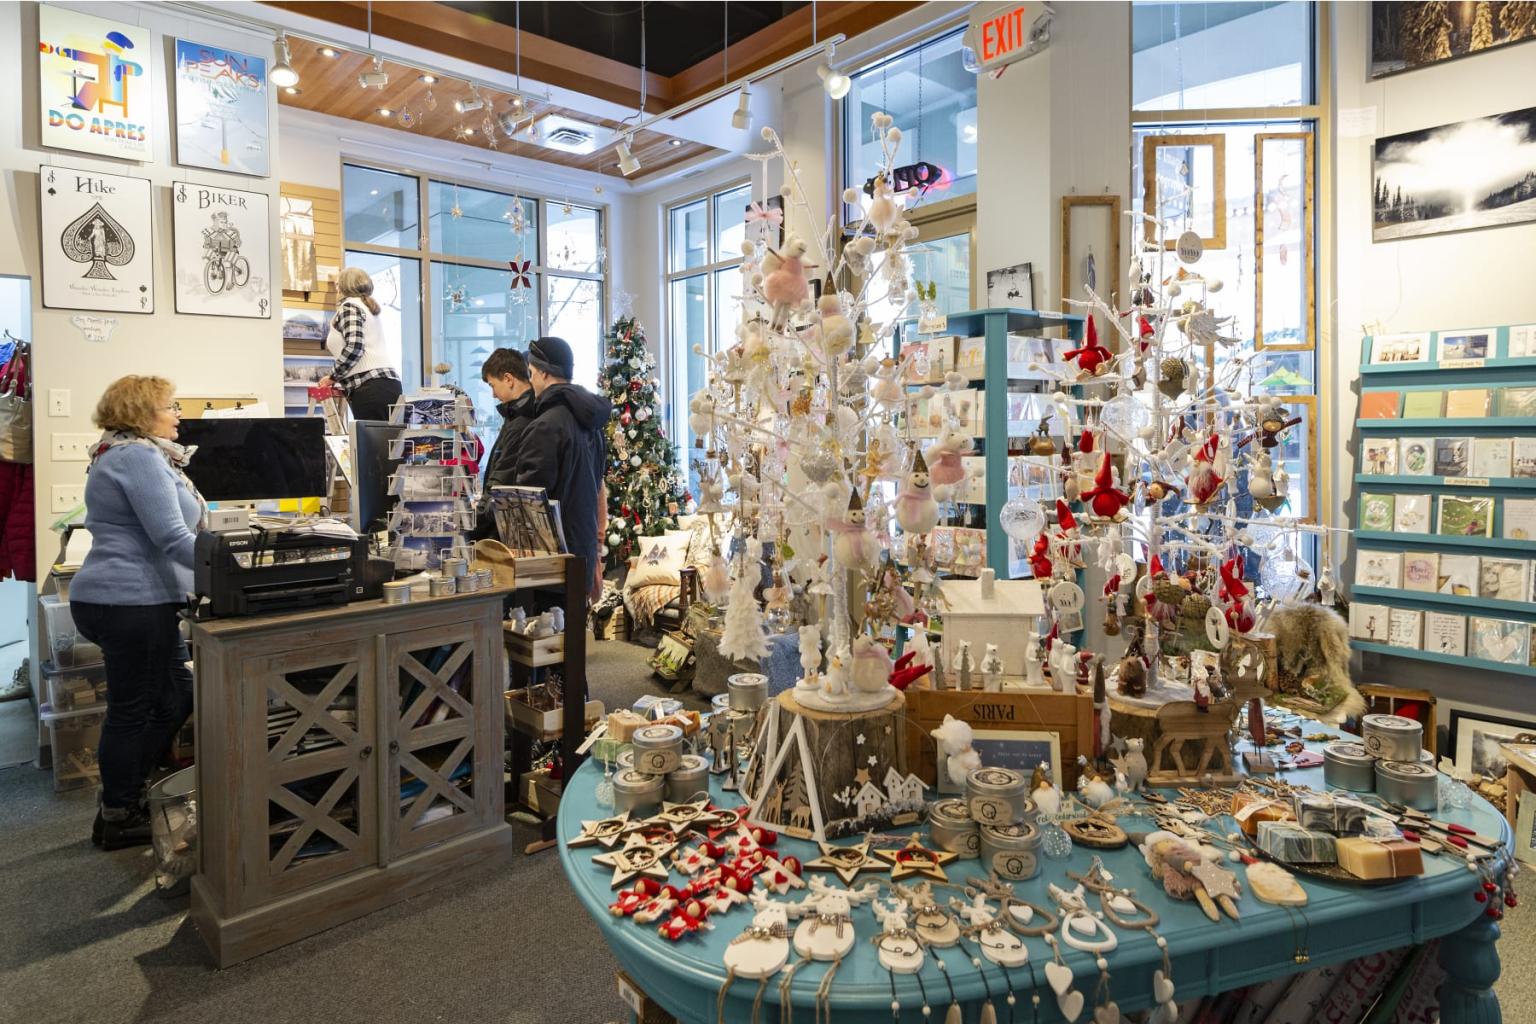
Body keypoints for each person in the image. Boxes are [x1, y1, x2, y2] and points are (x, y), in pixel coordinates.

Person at [70, 376, 205, 850]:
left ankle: (123, 792)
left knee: (177, 696)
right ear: (143, 413)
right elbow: (171, 536)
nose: (178, 414)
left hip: (134, 599)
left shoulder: (120, 452)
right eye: (172, 406)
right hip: (128, 600)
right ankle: (119, 813)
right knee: (132, 711)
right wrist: (230, 572)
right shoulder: (139, 457)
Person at [514, 336, 611, 600]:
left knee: (546, 635)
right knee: (573, 634)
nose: (530, 381)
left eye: (531, 373)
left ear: (544, 373)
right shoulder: (592, 424)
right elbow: (598, 486)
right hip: (582, 550)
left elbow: (529, 499)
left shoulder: (545, 426)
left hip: (551, 559)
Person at [470, 348, 537, 540]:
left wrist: (471, 525)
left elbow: (502, 480)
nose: (492, 394)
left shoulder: (521, 421)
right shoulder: (517, 415)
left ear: (508, 379)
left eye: (492, 385)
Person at [320, 266, 402, 422]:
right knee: (388, 443)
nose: (336, 288)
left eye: (338, 284)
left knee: (374, 444)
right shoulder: (367, 307)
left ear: (343, 286)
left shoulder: (350, 307)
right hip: (386, 384)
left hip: (370, 387)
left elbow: (355, 347)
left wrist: (333, 376)